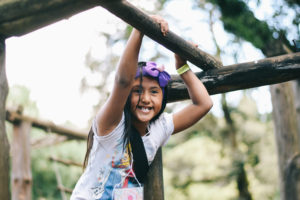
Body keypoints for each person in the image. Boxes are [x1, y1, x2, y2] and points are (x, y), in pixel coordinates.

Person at [71, 15, 213, 200]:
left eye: (154, 92)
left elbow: (204, 104)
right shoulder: (111, 124)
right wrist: (140, 28)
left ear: (163, 98)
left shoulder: (159, 128)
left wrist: (182, 67)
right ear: (127, 95)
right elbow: (123, 81)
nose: (146, 99)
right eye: (137, 91)